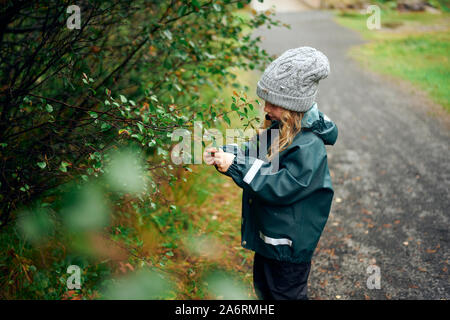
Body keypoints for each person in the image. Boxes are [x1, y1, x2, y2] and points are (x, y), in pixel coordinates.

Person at [203, 47, 338, 300]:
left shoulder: (308, 145)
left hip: (288, 246)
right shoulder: (279, 127)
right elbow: (250, 152)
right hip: (270, 238)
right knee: (265, 291)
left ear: (292, 105)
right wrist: (225, 154)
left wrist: (236, 165)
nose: (266, 108)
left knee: (285, 294)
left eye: (272, 103)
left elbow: (281, 184)